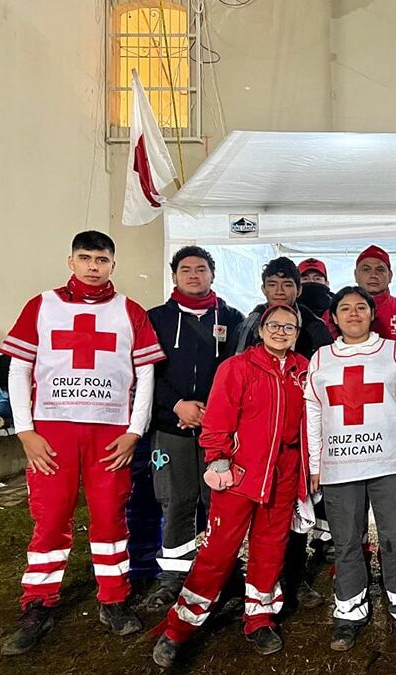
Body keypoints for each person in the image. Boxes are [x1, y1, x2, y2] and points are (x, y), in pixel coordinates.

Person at [0, 231, 166, 655]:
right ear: (70, 261)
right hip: (51, 432)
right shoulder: (41, 305)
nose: (94, 266)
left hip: (110, 434)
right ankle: (38, 602)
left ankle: (113, 597)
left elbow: (145, 374)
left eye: (102, 259)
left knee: (110, 518)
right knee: (51, 517)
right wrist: (24, 431)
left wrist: (135, 431)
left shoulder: (129, 311)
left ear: (113, 265)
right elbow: (18, 370)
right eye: (86, 257)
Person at [152, 304, 310, 667]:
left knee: (270, 548)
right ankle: (180, 626)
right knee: (218, 551)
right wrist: (218, 457)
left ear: (297, 333)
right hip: (240, 473)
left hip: (283, 474)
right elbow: (218, 416)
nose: (281, 332)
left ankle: (259, 617)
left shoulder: (304, 370)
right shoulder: (237, 367)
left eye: (289, 327)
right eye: (274, 325)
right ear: (260, 329)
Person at [306, 287, 396, 658]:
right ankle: (349, 612)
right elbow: (313, 411)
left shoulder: (394, 352)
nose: (354, 314)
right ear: (334, 317)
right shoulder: (321, 358)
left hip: (389, 463)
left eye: (361, 307)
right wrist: (315, 463)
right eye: (345, 308)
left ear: (373, 314)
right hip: (339, 465)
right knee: (345, 542)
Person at [143, 246, 244, 610]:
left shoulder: (232, 318)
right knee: (177, 501)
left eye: (201, 269)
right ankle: (174, 577)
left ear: (212, 275)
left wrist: (211, 412)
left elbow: (237, 372)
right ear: (174, 276)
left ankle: (224, 573)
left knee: (220, 502)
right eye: (185, 269)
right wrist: (177, 406)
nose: (193, 275)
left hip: (218, 430)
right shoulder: (155, 319)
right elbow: (147, 374)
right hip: (171, 427)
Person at [235, 256, 333, 598]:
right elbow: (235, 372)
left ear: (298, 289)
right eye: (273, 284)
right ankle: (257, 580)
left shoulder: (315, 328)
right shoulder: (250, 323)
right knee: (255, 513)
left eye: (287, 284)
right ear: (263, 288)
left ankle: (294, 577)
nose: (279, 290)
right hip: (255, 439)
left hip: (297, 436)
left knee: (295, 510)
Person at [322, 245, 396, 346]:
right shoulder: (334, 313)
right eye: (366, 270)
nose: (373, 275)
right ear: (356, 275)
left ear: (390, 276)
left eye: (380, 270)